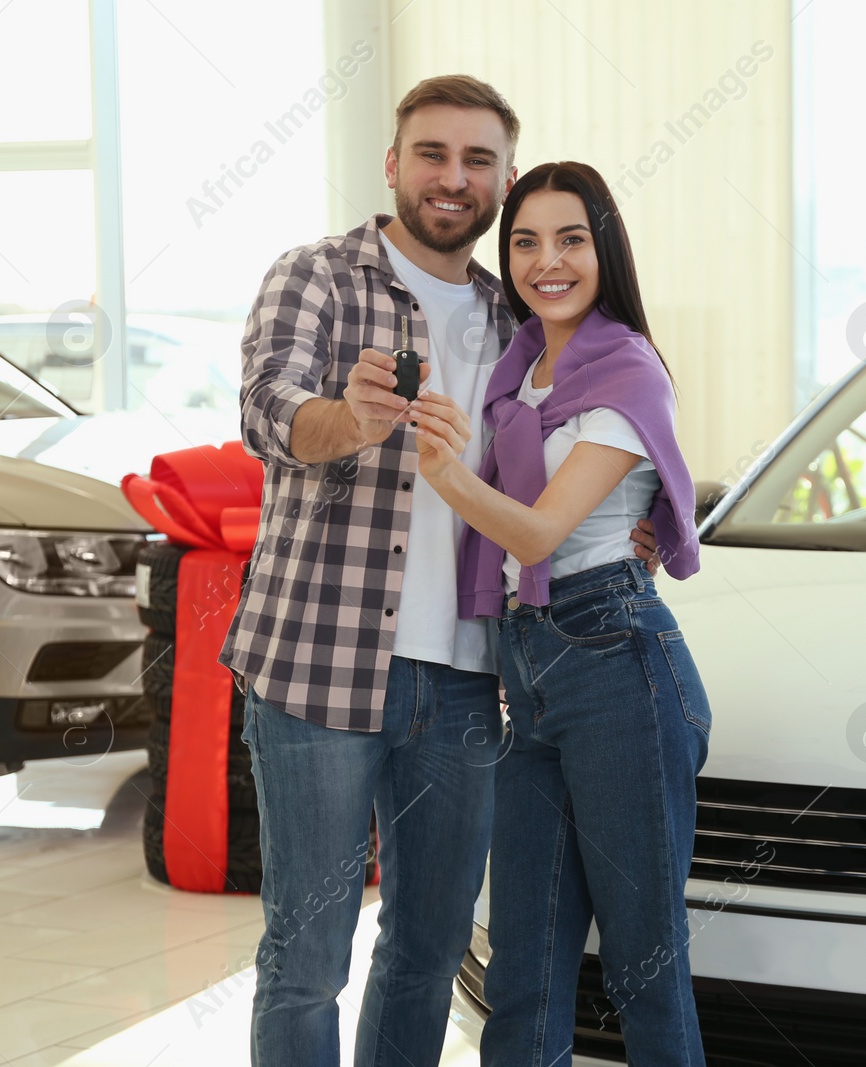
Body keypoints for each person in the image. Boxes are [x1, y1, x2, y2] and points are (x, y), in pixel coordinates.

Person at [219, 78, 662, 1065]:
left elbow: (585, 438)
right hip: (315, 669)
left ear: (503, 178)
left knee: (425, 950)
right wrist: (352, 419)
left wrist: (628, 522)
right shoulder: (318, 277)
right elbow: (267, 410)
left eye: (476, 161)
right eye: (432, 154)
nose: (452, 178)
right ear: (393, 164)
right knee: (306, 955)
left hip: (466, 677)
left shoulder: (519, 319)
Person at [410, 161, 712, 1067]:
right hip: (530, 664)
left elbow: (539, 534)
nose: (548, 261)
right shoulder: (521, 373)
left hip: (618, 660)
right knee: (523, 968)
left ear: (604, 248)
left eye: (571, 239)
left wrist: (446, 473)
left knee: (643, 963)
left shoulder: (626, 370)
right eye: (527, 240)